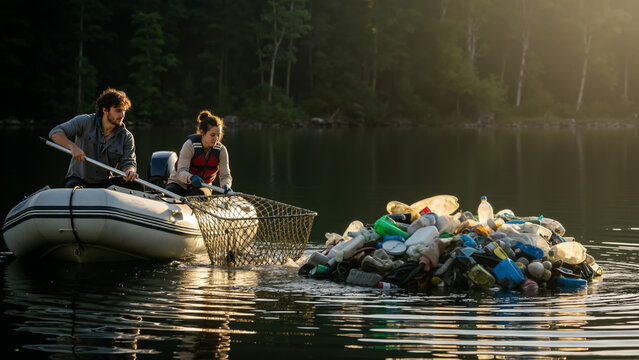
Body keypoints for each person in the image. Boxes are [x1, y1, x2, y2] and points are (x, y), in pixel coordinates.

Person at [49, 88, 143, 191]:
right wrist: (73, 147)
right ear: (105, 110)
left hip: (105, 183)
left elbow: (129, 163)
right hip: (78, 180)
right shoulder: (85, 121)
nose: (122, 115)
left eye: (124, 111)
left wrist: (130, 171)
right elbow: (55, 133)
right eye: (118, 110)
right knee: (73, 188)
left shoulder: (127, 137)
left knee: (137, 185)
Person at [166, 110, 232, 196]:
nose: (216, 139)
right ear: (202, 132)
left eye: (218, 135)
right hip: (178, 184)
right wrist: (191, 177)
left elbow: (225, 176)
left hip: (202, 186)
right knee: (171, 192)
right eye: (212, 135)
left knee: (199, 195)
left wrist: (226, 185)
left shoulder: (222, 150)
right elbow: (181, 171)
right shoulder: (189, 145)